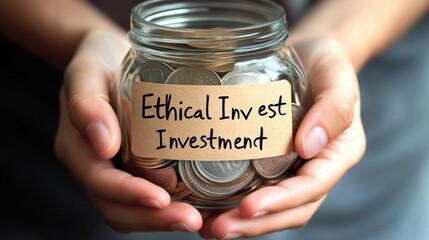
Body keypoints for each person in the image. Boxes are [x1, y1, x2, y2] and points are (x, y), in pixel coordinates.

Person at [0, 0, 428, 240]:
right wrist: (78, 38)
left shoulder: (283, 72)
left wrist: (340, 41)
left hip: (379, 104)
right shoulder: (132, 73)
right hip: (49, 149)